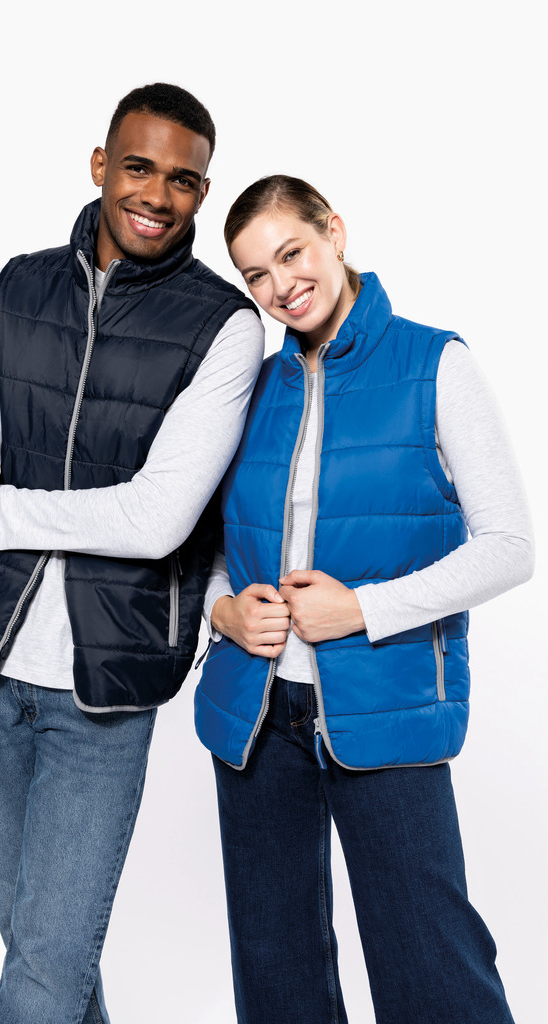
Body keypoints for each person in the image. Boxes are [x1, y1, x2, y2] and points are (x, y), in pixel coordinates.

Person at [0, 83, 263, 1023]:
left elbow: (157, 519)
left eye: (182, 180)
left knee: (45, 967)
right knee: (44, 955)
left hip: (109, 682)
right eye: (138, 167)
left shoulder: (226, 327)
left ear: (203, 194)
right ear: (99, 166)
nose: (156, 195)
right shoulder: (12, 289)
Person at [194, 174, 533, 1024]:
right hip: (257, 714)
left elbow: (510, 546)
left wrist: (363, 610)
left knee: (430, 969)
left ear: (334, 233)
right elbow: (211, 539)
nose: (281, 286)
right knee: (277, 979)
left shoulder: (434, 363)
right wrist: (222, 608)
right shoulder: (251, 387)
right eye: (256, 274)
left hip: (385, 701)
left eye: (292, 254)